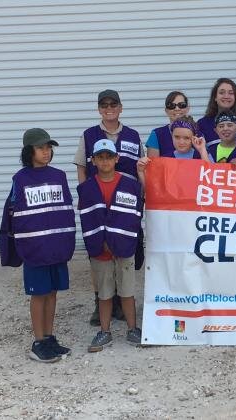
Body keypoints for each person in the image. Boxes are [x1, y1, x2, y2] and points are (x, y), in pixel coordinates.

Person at [0, 128, 76, 362]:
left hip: (56, 246)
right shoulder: (20, 179)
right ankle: (38, 342)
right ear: (29, 151)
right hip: (34, 247)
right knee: (39, 294)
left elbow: (65, 211)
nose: (46, 151)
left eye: (49, 147)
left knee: (53, 292)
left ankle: (50, 338)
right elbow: (13, 213)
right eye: (41, 147)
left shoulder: (59, 176)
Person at [74, 89, 143, 326]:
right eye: (104, 104)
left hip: (125, 207)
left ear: (121, 107)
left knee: (126, 252)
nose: (109, 107)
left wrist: (140, 199)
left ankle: (122, 303)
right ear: (99, 109)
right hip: (99, 203)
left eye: (114, 104)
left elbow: (140, 169)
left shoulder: (133, 136)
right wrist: (85, 197)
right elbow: (82, 167)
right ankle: (101, 302)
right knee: (99, 252)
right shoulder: (88, 135)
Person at [77, 139, 143, 352]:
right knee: (104, 293)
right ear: (93, 161)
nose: (105, 161)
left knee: (127, 291)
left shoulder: (131, 185)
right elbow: (87, 218)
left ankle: (132, 329)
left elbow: (134, 216)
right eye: (100, 157)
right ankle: (104, 331)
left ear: (117, 159)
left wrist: (121, 241)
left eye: (108, 157)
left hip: (123, 248)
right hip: (100, 250)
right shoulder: (86, 188)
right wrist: (100, 242)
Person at [137, 117, 211, 188]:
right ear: (172, 136)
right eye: (177, 137)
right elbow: (152, 189)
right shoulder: (164, 160)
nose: (181, 142)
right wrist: (140, 171)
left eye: (186, 138)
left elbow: (211, 178)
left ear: (194, 137)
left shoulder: (202, 156)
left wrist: (202, 149)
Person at [198, 78, 236, 144]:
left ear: (235, 97)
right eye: (221, 93)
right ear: (215, 97)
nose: (226, 96)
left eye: (231, 93)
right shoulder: (203, 124)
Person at [146, 91, 191, 157]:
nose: (177, 108)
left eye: (181, 105)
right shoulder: (157, 135)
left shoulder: (198, 134)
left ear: (187, 108)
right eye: (172, 106)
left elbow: (206, 164)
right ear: (166, 110)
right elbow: (153, 165)